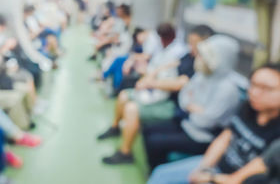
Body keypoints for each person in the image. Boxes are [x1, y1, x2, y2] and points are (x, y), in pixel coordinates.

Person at [147, 63, 280, 184]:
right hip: (216, 165)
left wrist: (210, 178)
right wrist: (204, 168)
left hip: (236, 179)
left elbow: (246, 175)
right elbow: (225, 137)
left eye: (267, 88)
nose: (255, 92)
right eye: (253, 85)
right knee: (160, 175)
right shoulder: (247, 107)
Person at [99, 25, 213, 165]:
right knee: (123, 95)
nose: (191, 47)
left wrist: (151, 83)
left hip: (172, 105)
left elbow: (180, 83)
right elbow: (172, 65)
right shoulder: (188, 56)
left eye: (195, 44)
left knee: (131, 109)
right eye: (190, 43)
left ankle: (125, 152)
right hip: (161, 94)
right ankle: (115, 127)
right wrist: (152, 75)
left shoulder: (200, 66)